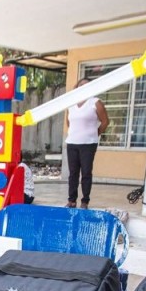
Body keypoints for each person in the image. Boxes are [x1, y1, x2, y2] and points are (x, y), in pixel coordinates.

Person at [64, 77, 109, 209]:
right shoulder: (71, 104)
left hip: (88, 144)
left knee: (86, 173)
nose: (83, 87)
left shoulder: (95, 102)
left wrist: (95, 134)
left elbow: (105, 121)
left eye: (87, 85)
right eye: (81, 85)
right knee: (73, 174)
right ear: (77, 87)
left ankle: (85, 201)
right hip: (72, 143)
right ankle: (71, 201)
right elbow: (69, 122)